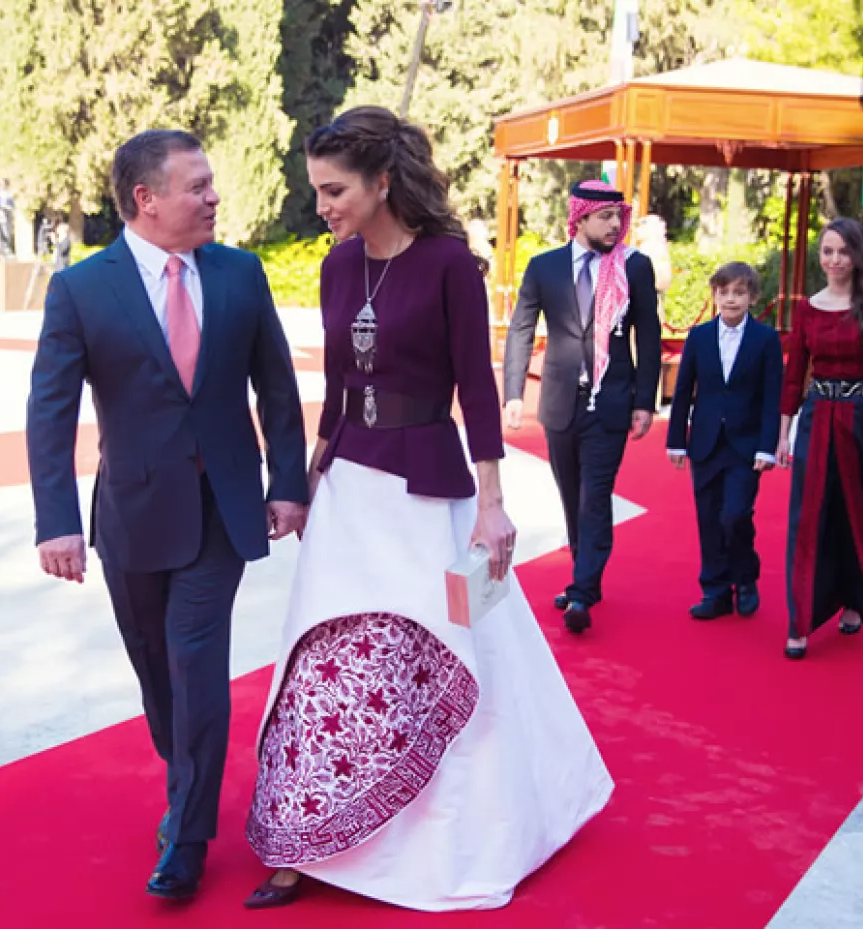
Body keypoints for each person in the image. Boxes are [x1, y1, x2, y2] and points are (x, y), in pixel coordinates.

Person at [243, 106, 613, 912]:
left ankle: (452, 842)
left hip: (427, 497)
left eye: (335, 190)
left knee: (450, 648)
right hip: (348, 494)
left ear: (382, 182)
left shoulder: (450, 264)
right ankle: (308, 837)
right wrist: (309, 481)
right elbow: (338, 387)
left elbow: (475, 388)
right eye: (317, 191)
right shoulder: (337, 266)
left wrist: (493, 504)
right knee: (322, 657)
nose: (322, 206)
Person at [25, 129, 308, 900]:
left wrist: (287, 481)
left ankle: (187, 836)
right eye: (198, 186)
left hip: (222, 510)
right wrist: (56, 519)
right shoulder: (83, 289)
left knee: (196, 664)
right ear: (146, 199)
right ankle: (184, 774)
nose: (214, 197)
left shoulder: (241, 274)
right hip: (134, 514)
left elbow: (277, 388)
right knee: (158, 673)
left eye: (211, 183)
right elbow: (50, 410)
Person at [502, 180, 662, 634]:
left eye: (619, 217)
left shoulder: (634, 267)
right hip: (559, 401)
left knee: (595, 496)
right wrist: (514, 393)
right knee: (572, 496)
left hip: (610, 402)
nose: (615, 226)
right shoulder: (545, 267)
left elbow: (649, 335)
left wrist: (645, 402)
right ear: (580, 218)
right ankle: (583, 573)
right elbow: (521, 329)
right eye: (605, 217)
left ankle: (582, 591)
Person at [776, 217, 863, 660]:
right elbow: (794, 377)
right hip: (817, 419)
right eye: (827, 251)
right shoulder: (807, 309)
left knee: (861, 514)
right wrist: (783, 434)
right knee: (809, 518)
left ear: (857, 255)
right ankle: (800, 621)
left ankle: (856, 601)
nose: (834, 260)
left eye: (843, 251)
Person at [666, 262, 783, 619]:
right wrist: (676, 441)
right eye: (724, 292)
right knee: (708, 518)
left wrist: (767, 446)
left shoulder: (766, 339)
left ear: (752, 298)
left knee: (735, 515)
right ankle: (715, 591)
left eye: (739, 292)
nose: (731, 299)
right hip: (705, 442)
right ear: (715, 295)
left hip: (746, 446)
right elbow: (683, 391)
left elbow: (772, 397)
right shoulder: (699, 337)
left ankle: (745, 578)